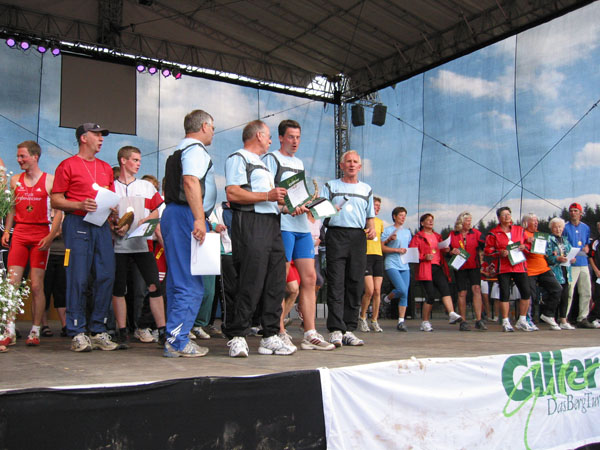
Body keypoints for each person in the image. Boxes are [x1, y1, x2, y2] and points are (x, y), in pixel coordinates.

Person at [224, 120, 295, 357]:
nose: (271, 141)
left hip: (272, 223)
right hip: (250, 222)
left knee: (275, 280)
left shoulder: (263, 165)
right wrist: (267, 195)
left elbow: (269, 200)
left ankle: (270, 335)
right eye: (269, 136)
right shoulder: (239, 157)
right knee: (250, 279)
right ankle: (238, 335)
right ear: (258, 135)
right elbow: (233, 193)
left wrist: (289, 206)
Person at [262, 120, 333, 351]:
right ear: (281, 138)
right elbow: (267, 194)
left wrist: (310, 204)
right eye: (291, 137)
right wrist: (285, 208)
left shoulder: (299, 163)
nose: (295, 141)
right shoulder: (271, 159)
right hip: (282, 226)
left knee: (310, 278)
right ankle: (279, 330)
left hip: (302, 227)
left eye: (298, 137)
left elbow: (298, 194)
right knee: (280, 279)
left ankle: (309, 333)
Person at [51, 123, 119, 351]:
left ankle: (98, 329)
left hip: (101, 225)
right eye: (96, 135)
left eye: (102, 135)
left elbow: (110, 196)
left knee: (106, 275)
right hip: (77, 223)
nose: (101, 139)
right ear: (83, 138)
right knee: (78, 277)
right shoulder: (67, 165)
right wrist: (79, 204)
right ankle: (77, 330)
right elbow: (56, 200)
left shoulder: (106, 167)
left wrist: (113, 210)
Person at [161, 109, 217, 357]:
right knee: (190, 284)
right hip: (186, 215)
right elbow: (191, 181)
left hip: (177, 214)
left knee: (178, 281)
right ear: (204, 126)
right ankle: (177, 341)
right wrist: (199, 218)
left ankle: (174, 337)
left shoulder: (179, 151)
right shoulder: (195, 149)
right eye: (212, 127)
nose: (213, 132)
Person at [1, 141, 62, 346]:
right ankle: (9, 329)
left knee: (36, 285)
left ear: (35, 157)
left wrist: (51, 236)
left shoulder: (49, 180)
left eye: (23, 156)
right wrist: (7, 230)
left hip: (40, 235)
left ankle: (35, 330)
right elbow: (12, 208)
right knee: (12, 284)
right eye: (18, 156)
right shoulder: (15, 180)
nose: (19, 160)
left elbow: (58, 212)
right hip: (20, 233)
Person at [111, 146, 166, 349]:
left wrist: (147, 218)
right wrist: (113, 225)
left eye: (139, 160)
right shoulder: (111, 187)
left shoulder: (146, 186)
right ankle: (122, 331)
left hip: (143, 245)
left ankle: (162, 330)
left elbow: (158, 209)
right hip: (118, 247)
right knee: (119, 288)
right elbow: (106, 214)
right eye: (134, 160)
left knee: (154, 286)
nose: (138, 163)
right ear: (123, 161)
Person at [322, 150, 376, 347]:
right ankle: (336, 329)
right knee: (336, 282)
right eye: (348, 161)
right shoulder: (330, 186)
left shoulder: (366, 189)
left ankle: (349, 329)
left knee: (355, 283)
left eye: (355, 162)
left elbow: (370, 217)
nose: (352, 164)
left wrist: (371, 228)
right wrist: (330, 209)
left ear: (360, 167)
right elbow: (319, 211)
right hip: (336, 235)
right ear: (341, 165)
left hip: (358, 238)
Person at [409, 213, 463, 332]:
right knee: (430, 295)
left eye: (432, 220)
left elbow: (443, 250)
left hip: (438, 267)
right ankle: (425, 321)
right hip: (425, 268)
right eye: (428, 220)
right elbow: (412, 254)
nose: (431, 222)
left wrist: (449, 251)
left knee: (445, 290)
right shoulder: (418, 237)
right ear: (422, 223)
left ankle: (451, 313)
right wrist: (424, 257)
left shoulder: (437, 236)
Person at [483, 206, 533, 332]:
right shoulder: (493, 233)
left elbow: (528, 245)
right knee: (504, 293)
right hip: (503, 267)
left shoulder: (519, 230)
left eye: (508, 214)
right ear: (499, 218)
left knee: (526, 292)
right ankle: (505, 321)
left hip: (519, 265)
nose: (507, 217)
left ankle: (522, 320)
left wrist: (524, 247)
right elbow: (488, 251)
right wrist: (500, 252)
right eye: (504, 215)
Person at [522, 213, 563, 331]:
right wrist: (526, 242)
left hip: (543, 267)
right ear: (526, 223)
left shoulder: (540, 235)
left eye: (536, 220)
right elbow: (517, 246)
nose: (536, 223)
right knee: (531, 296)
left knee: (557, 289)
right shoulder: (522, 233)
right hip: (530, 269)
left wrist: (552, 253)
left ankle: (548, 314)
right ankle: (528, 320)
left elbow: (546, 250)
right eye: (533, 220)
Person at [449, 212, 485, 331]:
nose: (469, 223)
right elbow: (446, 249)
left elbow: (485, 245)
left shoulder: (476, 233)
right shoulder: (453, 234)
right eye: (467, 221)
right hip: (460, 266)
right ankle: (463, 321)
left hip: (474, 265)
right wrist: (451, 251)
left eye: (470, 220)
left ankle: (479, 320)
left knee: (476, 289)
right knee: (462, 293)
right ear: (461, 222)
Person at [562, 203, 595, 328]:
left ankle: (583, 317)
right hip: (572, 264)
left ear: (581, 213)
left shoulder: (585, 227)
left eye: (576, 211)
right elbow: (562, 245)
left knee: (586, 291)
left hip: (583, 263)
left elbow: (586, 243)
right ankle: (564, 317)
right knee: (569, 292)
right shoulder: (565, 227)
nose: (573, 213)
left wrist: (587, 247)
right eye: (571, 211)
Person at [381, 206, 412, 332]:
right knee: (402, 289)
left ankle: (401, 321)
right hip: (392, 263)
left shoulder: (407, 232)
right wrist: (394, 247)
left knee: (405, 292)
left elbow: (408, 247)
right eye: (400, 215)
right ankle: (387, 298)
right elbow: (382, 247)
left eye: (404, 215)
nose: (403, 218)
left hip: (405, 264)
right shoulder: (388, 230)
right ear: (394, 216)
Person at [358, 196, 385, 333]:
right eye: (375, 205)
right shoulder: (363, 221)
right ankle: (362, 317)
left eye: (379, 206)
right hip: (366, 256)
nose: (377, 208)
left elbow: (380, 241)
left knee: (377, 291)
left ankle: (374, 320)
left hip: (378, 256)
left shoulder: (380, 222)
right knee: (369, 290)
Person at [546, 217, 577, 330]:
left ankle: (563, 320)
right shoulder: (549, 240)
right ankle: (552, 320)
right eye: (555, 227)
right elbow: (547, 256)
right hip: (555, 271)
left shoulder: (565, 240)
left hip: (566, 271)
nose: (558, 229)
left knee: (565, 296)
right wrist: (557, 258)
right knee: (556, 296)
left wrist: (572, 259)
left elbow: (570, 252)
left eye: (560, 227)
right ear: (551, 228)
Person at [586, 221, 600, 328]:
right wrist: (596, 270)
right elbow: (590, 257)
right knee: (598, 296)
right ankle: (593, 318)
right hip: (598, 273)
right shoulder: (595, 242)